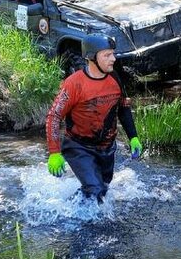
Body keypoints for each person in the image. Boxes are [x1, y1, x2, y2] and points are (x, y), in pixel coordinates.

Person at [45, 34, 143, 203]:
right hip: (78, 146)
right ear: (91, 58)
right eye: (107, 55)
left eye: (113, 53)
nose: (113, 59)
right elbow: (54, 117)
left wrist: (133, 137)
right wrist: (54, 152)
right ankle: (61, 213)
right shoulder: (74, 84)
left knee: (102, 189)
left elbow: (123, 108)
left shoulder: (115, 78)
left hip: (106, 147)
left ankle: (70, 206)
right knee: (95, 189)